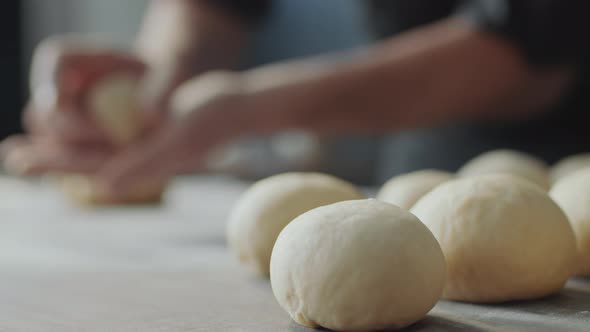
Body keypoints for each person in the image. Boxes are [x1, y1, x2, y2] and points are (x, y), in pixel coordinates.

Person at [2, 0, 589, 200]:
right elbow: (215, 8)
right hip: (432, 168)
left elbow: (532, 45)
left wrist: (254, 106)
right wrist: (158, 85)